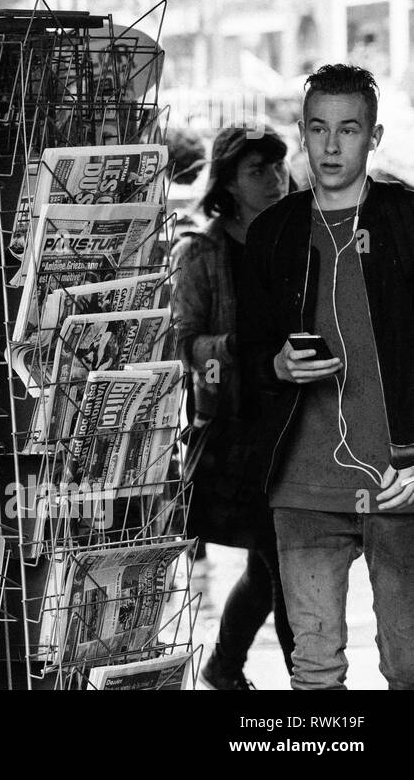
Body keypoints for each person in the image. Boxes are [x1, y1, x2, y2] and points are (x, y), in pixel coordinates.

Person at [239, 64, 414, 690]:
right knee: (314, 669)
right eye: (318, 129)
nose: (332, 146)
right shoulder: (273, 233)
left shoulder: (406, 221)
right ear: (303, 133)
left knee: (409, 665)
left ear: (374, 136)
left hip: (399, 481)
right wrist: (277, 365)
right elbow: (246, 354)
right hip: (303, 486)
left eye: (348, 129)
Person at [172, 125, 294, 690]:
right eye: (256, 171)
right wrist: (233, 346)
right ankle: (311, 686)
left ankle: (224, 666)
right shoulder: (202, 252)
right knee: (283, 567)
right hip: (238, 434)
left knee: (275, 569)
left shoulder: (298, 239)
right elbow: (183, 342)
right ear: (227, 182)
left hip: (296, 425)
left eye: (277, 166)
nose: (273, 180)